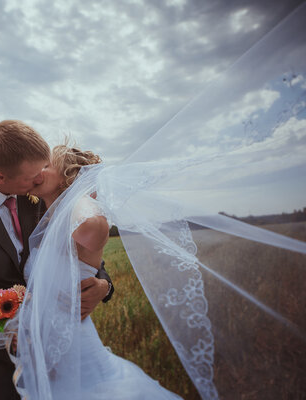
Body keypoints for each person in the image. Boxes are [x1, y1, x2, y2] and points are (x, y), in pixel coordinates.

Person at [0, 120, 115, 400]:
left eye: (44, 169)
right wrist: (8, 336)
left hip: (65, 351)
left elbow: (79, 255)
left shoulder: (40, 190)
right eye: (33, 176)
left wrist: (104, 285)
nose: (39, 178)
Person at [13, 144, 182, 399]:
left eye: (46, 165)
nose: (39, 169)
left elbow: (95, 227)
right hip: (49, 354)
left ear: (69, 176)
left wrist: (78, 200)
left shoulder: (75, 206)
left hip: (77, 348)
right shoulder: (47, 219)